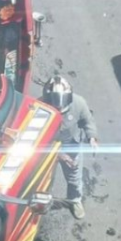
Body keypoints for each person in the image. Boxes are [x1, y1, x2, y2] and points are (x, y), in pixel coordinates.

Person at [41, 75, 100, 220]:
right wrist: (59, 154)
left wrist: (92, 137)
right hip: (47, 149)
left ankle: (74, 201)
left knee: (74, 177)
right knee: (43, 178)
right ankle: (41, 202)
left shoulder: (79, 103)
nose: (59, 106)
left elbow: (88, 121)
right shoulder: (39, 108)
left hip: (71, 145)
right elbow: (39, 140)